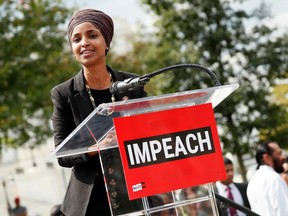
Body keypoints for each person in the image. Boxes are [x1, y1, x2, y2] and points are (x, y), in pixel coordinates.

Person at [50, 8, 147, 216]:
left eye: (92, 35)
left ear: (106, 42)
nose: (84, 42)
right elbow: (62, 154)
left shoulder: (133, 85)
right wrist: (96, 148)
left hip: (137, 191)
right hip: (90, 202)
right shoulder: (63, 94)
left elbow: (151, 132)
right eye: (76, 39)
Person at [246, 141, 288, 216]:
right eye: (279, 153)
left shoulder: (252, 182)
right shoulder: (274, 179)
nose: (283, 157)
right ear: (267, 158)